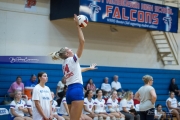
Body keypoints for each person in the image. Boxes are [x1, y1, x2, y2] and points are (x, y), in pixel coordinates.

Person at [50, 14, 97, 120]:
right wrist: (78, 27)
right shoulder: (73, 59)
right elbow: (82, 42)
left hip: (69, 92)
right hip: (77, 90)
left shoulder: (64, 64)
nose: (71, 49)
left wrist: (89, 68)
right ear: (67, 54)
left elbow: (77, 71)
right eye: (69, 49)